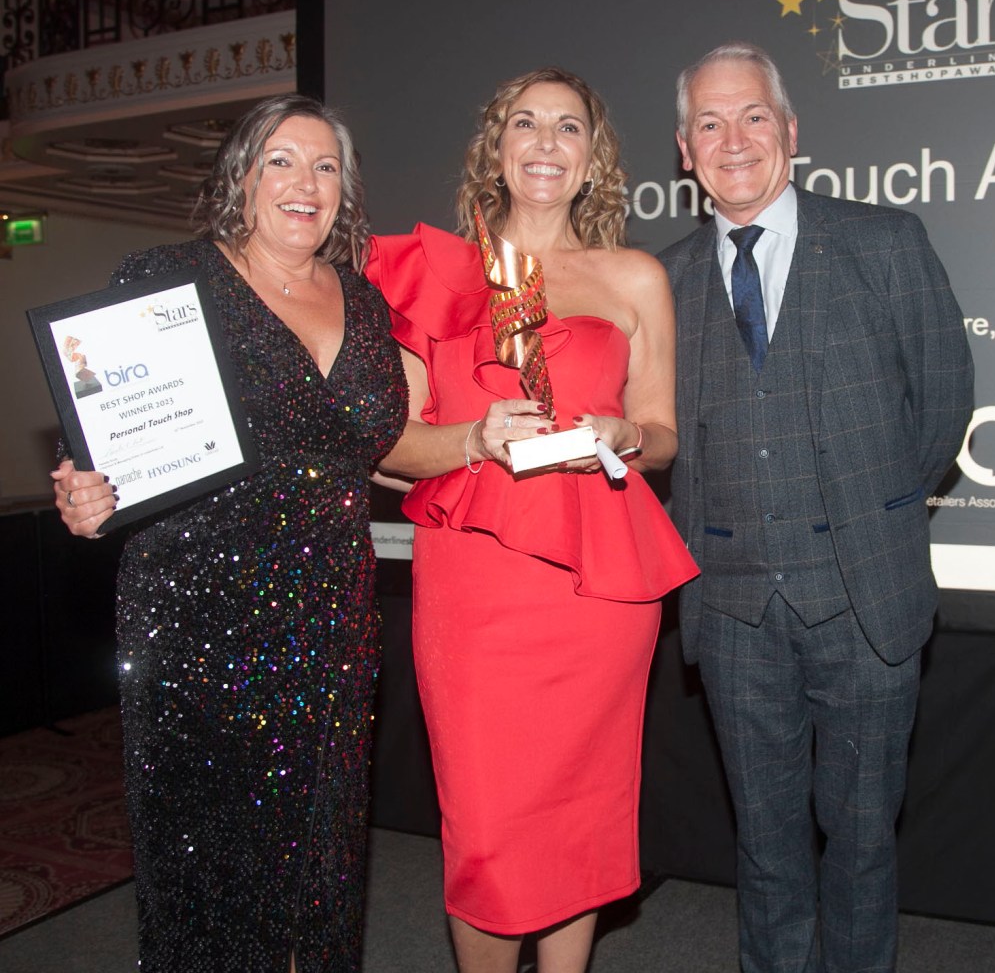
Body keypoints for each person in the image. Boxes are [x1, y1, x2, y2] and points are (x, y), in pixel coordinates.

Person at [50, 94, 407, 972]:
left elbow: (380, 444)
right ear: (241, 176)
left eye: (325, 166)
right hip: (201, 618)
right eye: (280, 160)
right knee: (208, 861)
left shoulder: (364, 304)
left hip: (334, 619)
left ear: (345, 189)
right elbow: (102, 427)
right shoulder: (170, 277)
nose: (304, 183)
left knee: (321, 855)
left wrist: (482, 440)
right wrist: (81, 485)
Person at [367, 67, 698, 973]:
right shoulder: (436, 274)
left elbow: (664, 436)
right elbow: (393, 446)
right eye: (526, 124)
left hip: (599, 589)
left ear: (593, 160)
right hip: (476, 584)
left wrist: (628, 433)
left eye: (568, 128)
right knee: (486, 821)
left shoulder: (634, 277)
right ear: (497, 148)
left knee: (580, 810)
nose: (546, 143)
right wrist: (472, 438)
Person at [658, 42, 974, 973]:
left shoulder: (885, 242)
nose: (735, 139)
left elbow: (944, 404)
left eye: (753, 115)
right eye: (710, 123)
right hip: (732, 611)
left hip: (865, 601)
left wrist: (872, 517)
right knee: (765, 845)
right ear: (685, 150)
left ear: (790, 131)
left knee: (864, 838)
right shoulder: (662, 280)